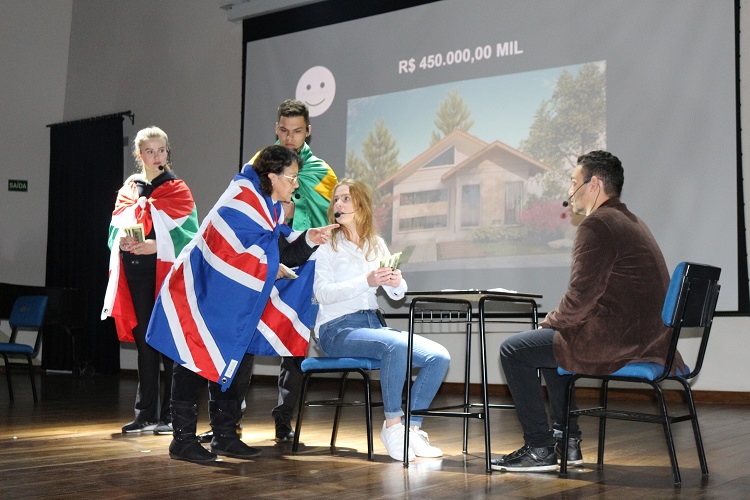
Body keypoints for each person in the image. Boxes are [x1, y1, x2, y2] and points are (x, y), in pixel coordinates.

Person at [490, 150, 685, 472]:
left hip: (623, 342)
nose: (569, 192)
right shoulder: (630, 220)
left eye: (572, 182)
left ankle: (540, 448)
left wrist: (548, 321)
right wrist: (556, 326)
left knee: (514, 349)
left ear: (593, 184)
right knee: (556, 341)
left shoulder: (599, 224)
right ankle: (567, 442)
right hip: (651, 340)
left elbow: (581, 296)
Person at [145, 145, 337, 463]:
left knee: (235, 362)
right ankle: (182, 440)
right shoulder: (242, 200)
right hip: (201, 291)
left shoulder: (269, 209)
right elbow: (224, 248)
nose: (296, 184)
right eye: (291, 176)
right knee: (192, 359)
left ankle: (225, 435)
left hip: (232, 299)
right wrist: (265, 265)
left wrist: (308, 239)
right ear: (273, 176)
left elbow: (276, 252)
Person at [198, 99, 338, 445]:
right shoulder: (260, 165)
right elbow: (244, 209)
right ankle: (229, 420)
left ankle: (284, 417)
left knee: (292, 342)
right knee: (242, 336)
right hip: (259, 263)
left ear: (309, 131)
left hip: (301, 265)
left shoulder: (323, 172)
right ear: (277, 129)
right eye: (284, 131)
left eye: (297, 131)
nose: (290, 138)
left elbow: (323, 217)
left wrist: (294, 209)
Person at [313, 179, 451, 461]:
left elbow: (397, 294)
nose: (338, 204)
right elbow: (322, 294)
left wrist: (396, 280)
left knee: (440, 356)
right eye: (336, 199)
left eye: (346, 199)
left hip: (372, 326)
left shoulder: (376, 244)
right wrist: (366, 280)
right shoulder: (327, 246)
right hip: (336, 329)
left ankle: (412, 429)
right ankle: (392, 426)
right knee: (395, 346)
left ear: (361, 205)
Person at [101, 126, 199, 435]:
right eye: (149, 151)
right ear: (139, 155)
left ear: (168, 152)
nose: (156, 156)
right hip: (135, 269)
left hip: (166, 271)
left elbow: (190, 234)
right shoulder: (129, 188)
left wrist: (157, 245)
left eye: (161, 151)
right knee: (144, 342)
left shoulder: (178, 188)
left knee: (166, 340)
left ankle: (171, 415)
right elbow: (116, 226)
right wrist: (126, 242)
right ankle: (145, 415)